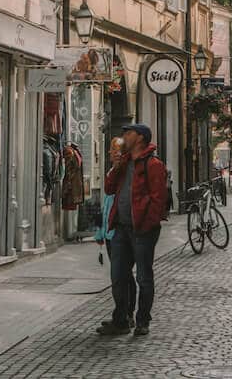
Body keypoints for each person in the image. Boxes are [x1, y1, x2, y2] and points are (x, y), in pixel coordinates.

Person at [96, 123, 167, 338]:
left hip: (142, 230)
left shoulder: (153, 165)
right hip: (121, 228)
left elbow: (158, 200)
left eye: (128, 133)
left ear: (140, 138)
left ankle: (142, 320)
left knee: (143, 277)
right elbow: (109, 189)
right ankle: (122, 319)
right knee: (118, 276)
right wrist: (115, 168)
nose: (123, 137)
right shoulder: (124, 162)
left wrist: (146, 224)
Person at [94, 138, 135, 326]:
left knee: (123, 274)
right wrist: (101, 232)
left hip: (119, 229)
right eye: (111, 149)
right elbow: (107, 204)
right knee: (120, 274)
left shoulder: (125, 172)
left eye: (114, 150)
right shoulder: (112, 171)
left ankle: (127, 314)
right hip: (111, 231)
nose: (110, 153)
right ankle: (124, 314)